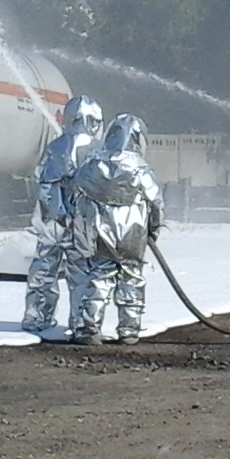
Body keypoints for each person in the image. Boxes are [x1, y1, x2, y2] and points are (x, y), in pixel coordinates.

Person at [68, 114, 164, 345]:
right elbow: (156, 202)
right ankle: (129, 331)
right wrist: (153, 230)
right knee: (131, 278)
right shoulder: (141, 168)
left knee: (99, 279)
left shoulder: (92, 165)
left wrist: (83, 235)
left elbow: (76, 199)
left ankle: (89, 329)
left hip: (102, 235)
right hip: (134, 236)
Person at [21, 95, 104, 334]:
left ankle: (37, 317)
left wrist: (55, 214)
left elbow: (42, 180)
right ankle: (81, 322)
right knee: (82, 274)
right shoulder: (97, 151)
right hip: (82, 224)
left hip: (52, 223)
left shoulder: (55, 147)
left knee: (44, 271)